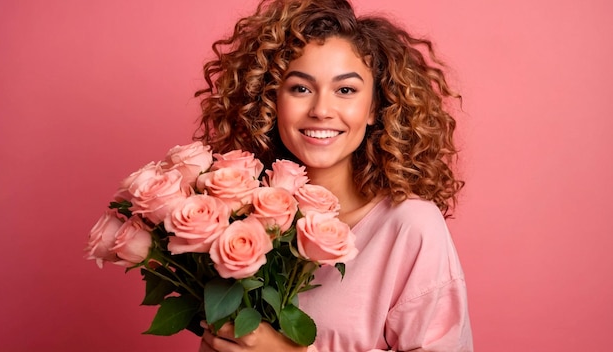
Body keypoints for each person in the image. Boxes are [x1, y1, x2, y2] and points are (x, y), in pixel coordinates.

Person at [194, 0, 473, 351]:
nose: (322, 110)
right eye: (300, 88)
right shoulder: (241, 221)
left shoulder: (411, 227)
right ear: (271, 100)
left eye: (345, 90)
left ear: (374, 107)